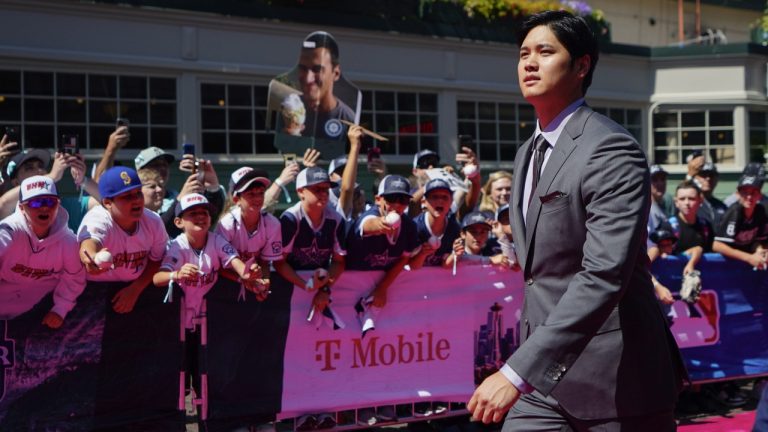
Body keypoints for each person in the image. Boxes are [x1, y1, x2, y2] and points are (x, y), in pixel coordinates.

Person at [469, 11, 686, 430]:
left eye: (545, 52)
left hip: (618, 381)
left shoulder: (610, 149)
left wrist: (514, 373)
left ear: (582, 65)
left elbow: (604, 273)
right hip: (545, 384)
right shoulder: (525, 153)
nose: (529, 63)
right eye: (523, 53)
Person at [0, 175, 85, 328]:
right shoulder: (10, 230)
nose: (44, 207)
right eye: (36, 202)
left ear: (58, 204)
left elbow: (75, 279)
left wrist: (60, 309)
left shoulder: (69, 242)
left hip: (39, 316)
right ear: (21, 207)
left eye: (50, 202)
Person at [345, 174, 420, 308]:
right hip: (348, 288)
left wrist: (382, 288)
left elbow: (404, 258)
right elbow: (367, 224)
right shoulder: (369, 217)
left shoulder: (409, 227)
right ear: (378, 199)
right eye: (391, 198)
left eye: (403, 200)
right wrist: (381, 224)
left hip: (382, 289)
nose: (397, 204)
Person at [295, 31, 355, 140]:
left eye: (317, 69)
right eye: (303, 68)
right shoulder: (290, 109)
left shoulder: (348, 119)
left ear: (335, 73)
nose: (308, 79)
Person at [712, 172, 768, 268]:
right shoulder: (734, 212)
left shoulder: (761, 211)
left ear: (759, 195)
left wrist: (759, 250)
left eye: (753, 193)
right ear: (738, 194)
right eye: (745, 192)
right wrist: (748, 257)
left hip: (747, 263)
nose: (749, 197)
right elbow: (716, 245)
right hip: (727, 264)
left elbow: (758, 240)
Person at [411, 178, 461, 268]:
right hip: (414, 280)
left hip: (438, 281)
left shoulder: (454, 228)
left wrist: (455, 254)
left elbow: (446, 266)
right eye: (434, 197)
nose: (440, 201)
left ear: (451, 202)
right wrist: (422, 254)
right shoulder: (414, 227)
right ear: (424, 202)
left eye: (445, 197)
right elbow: (411, 267)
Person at [693, 161, 727, 228]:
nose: (708, 178)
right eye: (703, 175)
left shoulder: (722, 206)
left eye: (711, 175)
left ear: (717, 179)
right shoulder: (691, 204)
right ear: (695, 178)